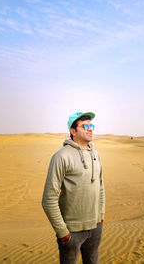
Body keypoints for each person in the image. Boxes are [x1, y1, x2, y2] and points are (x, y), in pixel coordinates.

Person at [42, 111, 105, 264]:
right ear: (73, 131)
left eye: (91, 125)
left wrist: (101, 217)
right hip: (72, 231)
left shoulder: (95, 154)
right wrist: (63, 232)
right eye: (85, 126)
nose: (90, 129)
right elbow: (48, 199)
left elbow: (101, 187)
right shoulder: (61, 157)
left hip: (95, 227)